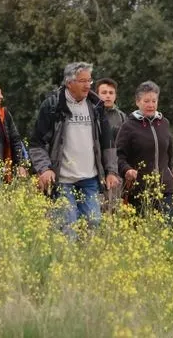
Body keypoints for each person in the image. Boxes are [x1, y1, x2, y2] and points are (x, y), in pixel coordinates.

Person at [29, 62, 121, 234]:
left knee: (93, 223)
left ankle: (86, 253)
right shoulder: (53, 106)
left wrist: (111, 171)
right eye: (82, 81)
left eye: (89, 80)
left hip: (90, 178)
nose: (87, 85)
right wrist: (45, 169)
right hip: (63, 179)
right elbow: (37, 143)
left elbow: (108, 142)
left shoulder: (96, 106)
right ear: (69, 83)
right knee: (67, 227)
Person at [115, 81, 173, 224]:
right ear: (138, 102)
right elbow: (119, 156)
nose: (151, 105)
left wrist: (170, 175)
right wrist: (127, 169)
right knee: (140, 231)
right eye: (146, 101)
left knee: (168, 229)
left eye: (154, 101)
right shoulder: (128, 126)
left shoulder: (164, 123)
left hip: (165, 188)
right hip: (138, 190)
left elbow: (169, 154)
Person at [95, 78, 127, 212]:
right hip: (94, 171)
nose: (107, 96)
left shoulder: (122, 118)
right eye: (104, 92)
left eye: (111, 93)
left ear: (115, 96)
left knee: (113, 211)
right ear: (96, 94)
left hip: (116, 172)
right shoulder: (91, 115)